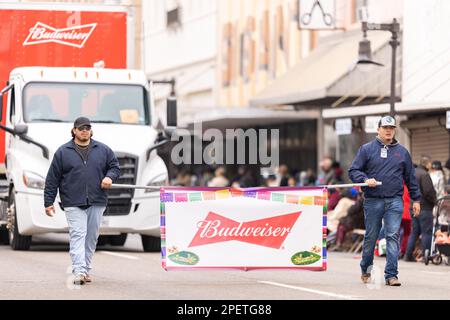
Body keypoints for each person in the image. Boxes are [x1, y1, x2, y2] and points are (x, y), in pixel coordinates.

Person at [44, 117, 120, 285]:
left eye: (87, 128)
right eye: (81, 128)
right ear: (74, 131)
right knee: (78, 234)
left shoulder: (103, 150)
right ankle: (78, 271)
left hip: (97, 200)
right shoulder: (63, 152)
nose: (84, 130)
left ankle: (85, 269)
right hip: (72, 201)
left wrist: (109, 176)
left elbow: (115, 167)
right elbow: (52, 179)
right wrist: (48, 202)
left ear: (91, 130)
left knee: (91, 237)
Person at [348, 116, 421, 287]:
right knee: (371, 236)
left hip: (395, 200)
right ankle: (365, 268)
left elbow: (411, 178)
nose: (389, 130)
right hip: (373, 200)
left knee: (392, 236)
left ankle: (391, 275)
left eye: (391, 128)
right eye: (385, 127)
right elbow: (353, 170)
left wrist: (416, 199)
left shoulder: (402, 152)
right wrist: (365, 179)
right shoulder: (366, 149)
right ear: (378, 129)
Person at [404, 156, 436, 262]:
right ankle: (425, 257)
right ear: (427, 164)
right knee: (427, 232)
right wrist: (434, 201)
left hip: (413, 206)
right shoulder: (424, 174)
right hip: (424, 207)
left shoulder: (413, 173)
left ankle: (408, 255)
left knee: (415, 231)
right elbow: (428, 191)